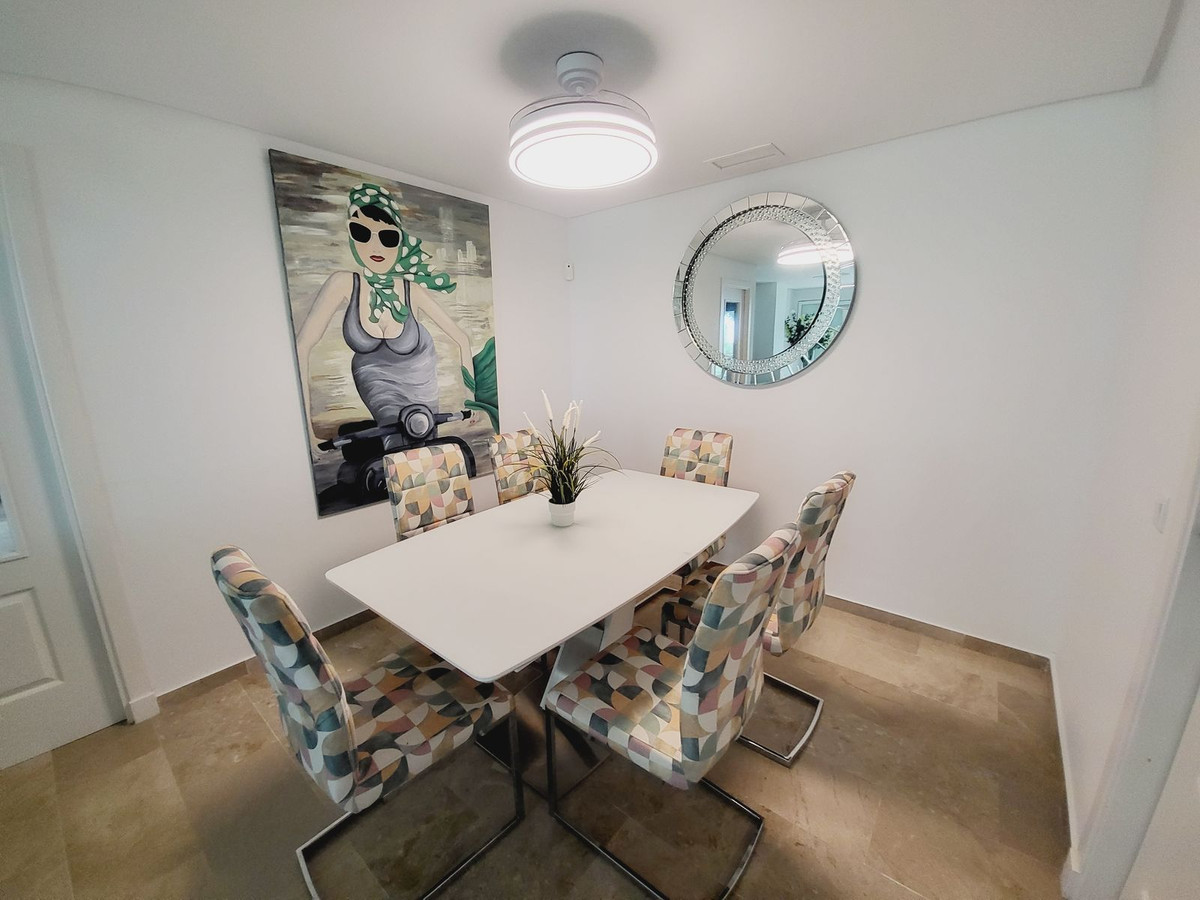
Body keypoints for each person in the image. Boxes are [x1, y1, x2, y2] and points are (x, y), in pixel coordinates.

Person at [295, 183, 498, 454]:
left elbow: (461, 338)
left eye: (388, 237)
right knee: (397, 446)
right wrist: (308, 433)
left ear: (400, 240)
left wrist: (472, 399)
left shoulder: (410, 289)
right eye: (362, 233)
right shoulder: (343, 283)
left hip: (420, 383)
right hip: (375, 384)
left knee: (424, 441)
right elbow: (302, 347)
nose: (375, 245)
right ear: (351, 235)